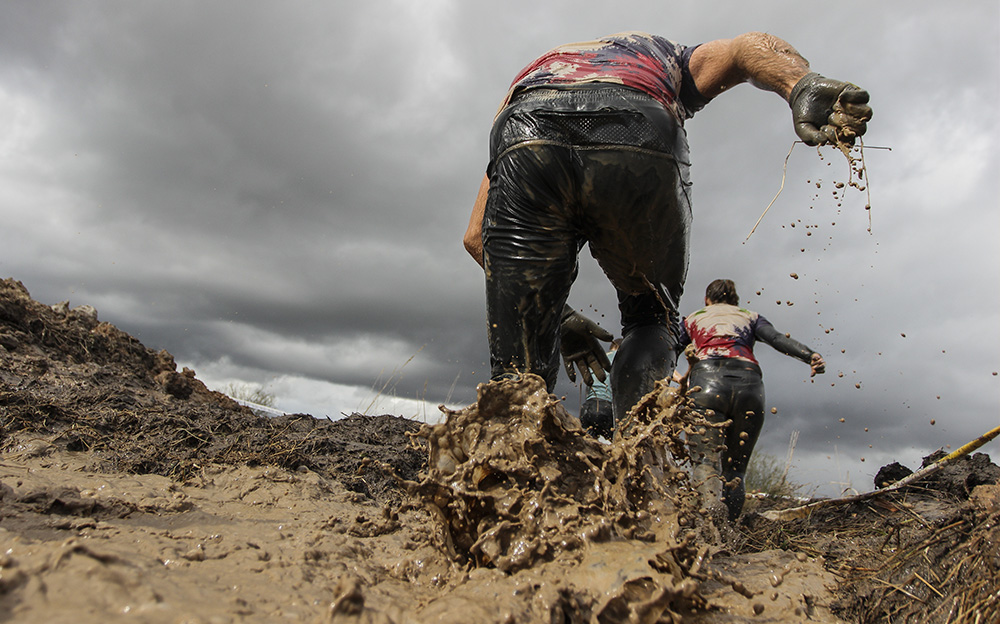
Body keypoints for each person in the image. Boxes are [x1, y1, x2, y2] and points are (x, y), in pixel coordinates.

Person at [462, 31, 870, 424]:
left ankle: (511, 462)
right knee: (650, 318)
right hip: (636, 122)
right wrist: (800, 85)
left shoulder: (532, 77)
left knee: (519, 375)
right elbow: (749, 47)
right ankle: (636, 458)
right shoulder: (659, 52)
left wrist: (561, 318)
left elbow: (478, 239)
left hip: (526, 129)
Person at [675, 279, 826, 520]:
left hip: (706, 384)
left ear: (707, 299)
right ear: (735, 300)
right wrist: (810, 356)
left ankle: (712, 529)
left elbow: (670, 347)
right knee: (735, 470)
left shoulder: (693, 318)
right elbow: (776, 339)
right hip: (749, 387)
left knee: (706, 464)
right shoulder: (750, 316)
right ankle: (732, 532)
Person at [580, 338, 621, 439]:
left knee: (586, 445)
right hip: (606, 408)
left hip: (587, 407)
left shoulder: (598, 360)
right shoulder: (620, 359)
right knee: (618, 447)